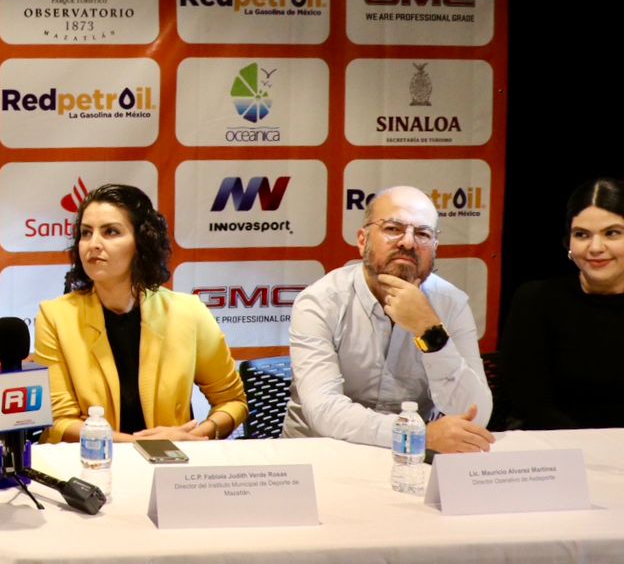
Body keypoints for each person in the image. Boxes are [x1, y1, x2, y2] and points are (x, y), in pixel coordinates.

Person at [283, 185, 492, 450]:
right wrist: (419, 435)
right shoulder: (320, 302)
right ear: (363, 241)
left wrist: (429, 330)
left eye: (422, 234)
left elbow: (476, 414)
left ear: (434, 247)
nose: (408, 242)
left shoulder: (451, 304)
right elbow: (324, 411)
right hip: (320, 453)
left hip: (411, 461)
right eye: (393, 229)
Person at [33, 183, 246, 444]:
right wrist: (142, 445)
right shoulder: (55, 317)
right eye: (86, 233)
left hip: (174, 460)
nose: (93, 244)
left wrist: (198, 434)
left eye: (110, 232)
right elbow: (60, 421)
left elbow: (232, 401)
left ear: (141, 242)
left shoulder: (188, 312)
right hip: (92, 461)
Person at [497, 177, 624, 429]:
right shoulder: (536, 300)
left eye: (612, 233)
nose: (595, 247)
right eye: (582, 235)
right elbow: (529, 402)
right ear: (569, 243)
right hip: (559, 444)